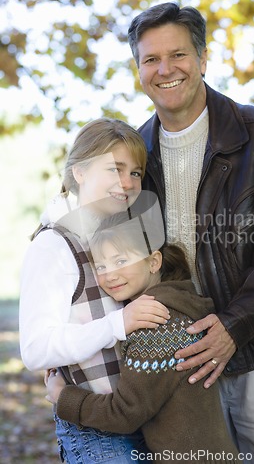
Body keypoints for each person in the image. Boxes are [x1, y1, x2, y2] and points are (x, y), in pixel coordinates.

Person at [126, 2, 254, 463]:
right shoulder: (135, 155)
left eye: (178, 55)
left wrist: (234, 326)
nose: (165, 69)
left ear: (203, 59)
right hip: (182, 365)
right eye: (150, 59)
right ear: (138, 68)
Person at [19, 118, 170, 463]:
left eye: (135, 173)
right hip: (97, 435)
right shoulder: (54, 246)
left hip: (141, 418)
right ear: (80, 171)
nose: (127, 183)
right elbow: (36, 349)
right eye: (115, 168)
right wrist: (118, 324)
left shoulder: (117, 233)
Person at [46, 215, 241, 463]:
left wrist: (63, 397)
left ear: (153, 261)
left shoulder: (155, 326)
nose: (110, 275)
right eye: (101, 266)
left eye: (121, 260)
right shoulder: (180, 304)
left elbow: (124, 413)